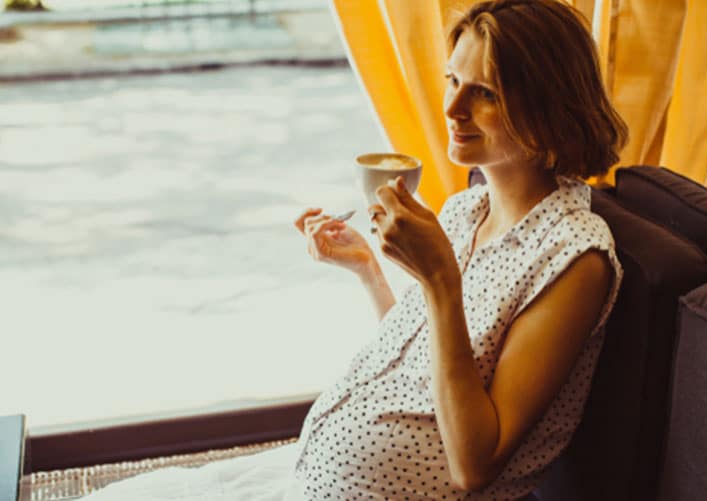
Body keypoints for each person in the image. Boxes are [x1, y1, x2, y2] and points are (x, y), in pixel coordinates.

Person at [83, 0, 627, 499]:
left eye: (485, 93)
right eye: (452, 80)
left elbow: (474, 463)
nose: (453, 107)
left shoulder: (575, 258)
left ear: (549, 107)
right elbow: (430, 367)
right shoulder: (468, 210)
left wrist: (440, 281)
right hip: (308, 476)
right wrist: (369, 270)